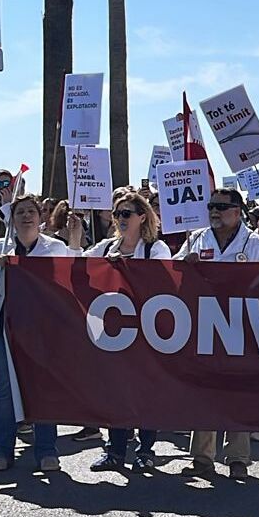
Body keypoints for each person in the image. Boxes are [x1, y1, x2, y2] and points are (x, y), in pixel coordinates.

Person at [174, 188, 259, 479]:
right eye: (211, 206)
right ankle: (202, 458)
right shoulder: (196, 239)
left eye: (221, 206)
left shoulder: (256, 245)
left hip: (240, 326)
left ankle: (238, 458)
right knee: (204, 390)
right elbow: (173, 273)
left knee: (237, 391)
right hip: (204, 324)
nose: (214, 211)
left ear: (238, 210)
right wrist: (186, 265)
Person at [75, 193, 172, 472]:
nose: (121, 219)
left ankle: (145, 449)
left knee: (146, 391)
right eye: (117, 214)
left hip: (146, 330)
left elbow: (162, 280)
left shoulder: (156, 248)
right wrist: (74, 236)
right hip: (114, 330)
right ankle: (115, 451)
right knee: (115, 390)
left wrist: (128, 270)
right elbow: (74, 264)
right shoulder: (106, 247)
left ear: (142, 216)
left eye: (127, 213)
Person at [0, 194, 71, 472]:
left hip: (44, 332)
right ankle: (1, 450)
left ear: (41, 217)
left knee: (42, 387)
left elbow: (68, 285)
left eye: (32, 211)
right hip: (3, 330)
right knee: (6, 390)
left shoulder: (56, 248)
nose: (27, 216)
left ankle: (46, 450)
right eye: (20, 212)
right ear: (12, 218)